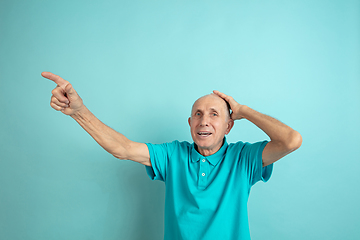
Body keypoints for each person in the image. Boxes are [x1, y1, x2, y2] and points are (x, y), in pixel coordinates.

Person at [42, 71, 302, 240]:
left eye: (214, 114)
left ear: (228, 126)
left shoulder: (243, 158)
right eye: (198, 114)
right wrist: (78, 111)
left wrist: (244, 110)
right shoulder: (173, 155)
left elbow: (291, 141)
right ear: (190, 123)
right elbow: (122, 148)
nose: (204, 121)